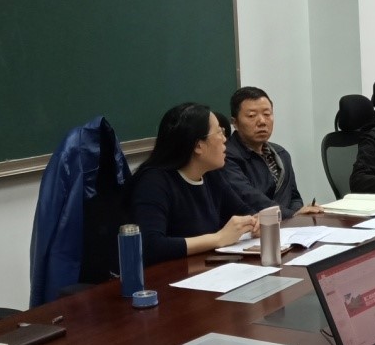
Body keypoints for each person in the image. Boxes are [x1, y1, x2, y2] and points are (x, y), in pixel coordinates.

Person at [128, 102, 259, 265]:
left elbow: (242, 211)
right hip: (168, 274)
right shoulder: (153, 183)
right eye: (219, 132)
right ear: (198, 146)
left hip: (203, 268)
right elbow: (150, 246)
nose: (225, 139)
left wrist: (256, 222)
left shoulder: (211, 174)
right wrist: (218, 238)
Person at [222, 86, 322, 219]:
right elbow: (249, 198)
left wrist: (298, 215)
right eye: (251, 116)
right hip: (253, 227)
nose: (262, 122)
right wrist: (292, 215)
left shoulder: (281, 154)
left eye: (267, 114)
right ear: (235, 122)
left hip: (286, 225)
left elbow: (294, 197)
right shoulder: (225, 156)